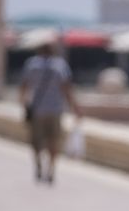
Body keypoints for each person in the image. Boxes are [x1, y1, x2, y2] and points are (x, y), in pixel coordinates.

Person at [19, 42, 83, 184]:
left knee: (36, 141)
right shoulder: (60, 65)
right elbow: (67, 89)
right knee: (53, 140)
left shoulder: (32, 64)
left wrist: (24, 106)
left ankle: (38, 165)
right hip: (55, 110)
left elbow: (24, 87)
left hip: (37, 110)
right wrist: (76, 108)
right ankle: (51, 169)